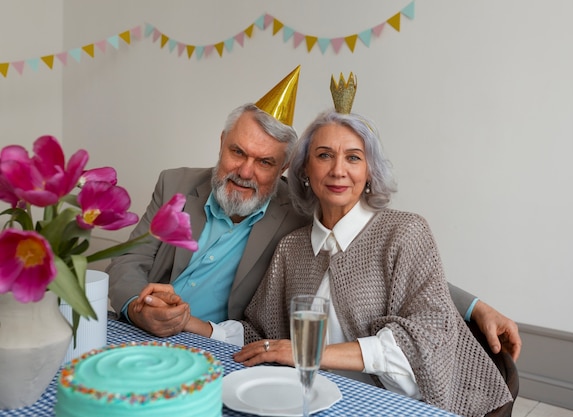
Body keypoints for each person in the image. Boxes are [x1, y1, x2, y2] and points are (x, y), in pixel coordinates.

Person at [109, 67, 521, 362]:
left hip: (215, 348)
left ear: (286, 168)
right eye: (238, 152)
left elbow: (384, 258)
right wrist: (136, 308)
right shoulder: (175, 184)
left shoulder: (300, 217)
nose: (246, 171)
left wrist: (475, 306)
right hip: (136, 329)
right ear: (222, 143)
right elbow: (129, 260)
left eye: (265, 162)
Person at [228, 73, 512, 416]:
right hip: (317, 401)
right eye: (323, 155)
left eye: (353, 157)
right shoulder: (292, 248)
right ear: (304, 170)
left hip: (402, 405)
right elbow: (261, 335)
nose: (338, 170)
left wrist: (309, 353)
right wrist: (190, 324)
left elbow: (426, 343)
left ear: (370, 171)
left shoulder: (405, 232)